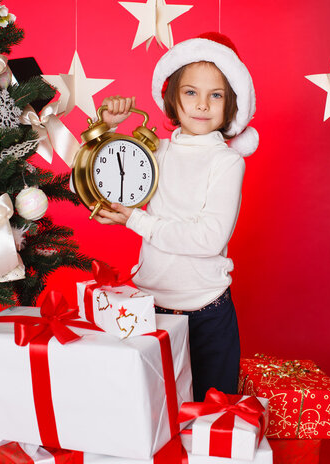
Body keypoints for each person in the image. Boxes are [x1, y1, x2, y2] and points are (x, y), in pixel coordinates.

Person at [95, 32, 258, 400]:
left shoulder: (227, 161)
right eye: (190, 92)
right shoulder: (157, 151)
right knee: (149, 414)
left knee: (207, 421)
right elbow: (98, 180)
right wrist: (105, 126)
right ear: (172, 97)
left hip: (207, 315)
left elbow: (208, 239)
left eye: (215, 95)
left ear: (231, 103)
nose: (202, 105)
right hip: (149, 310)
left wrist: (136, 221)